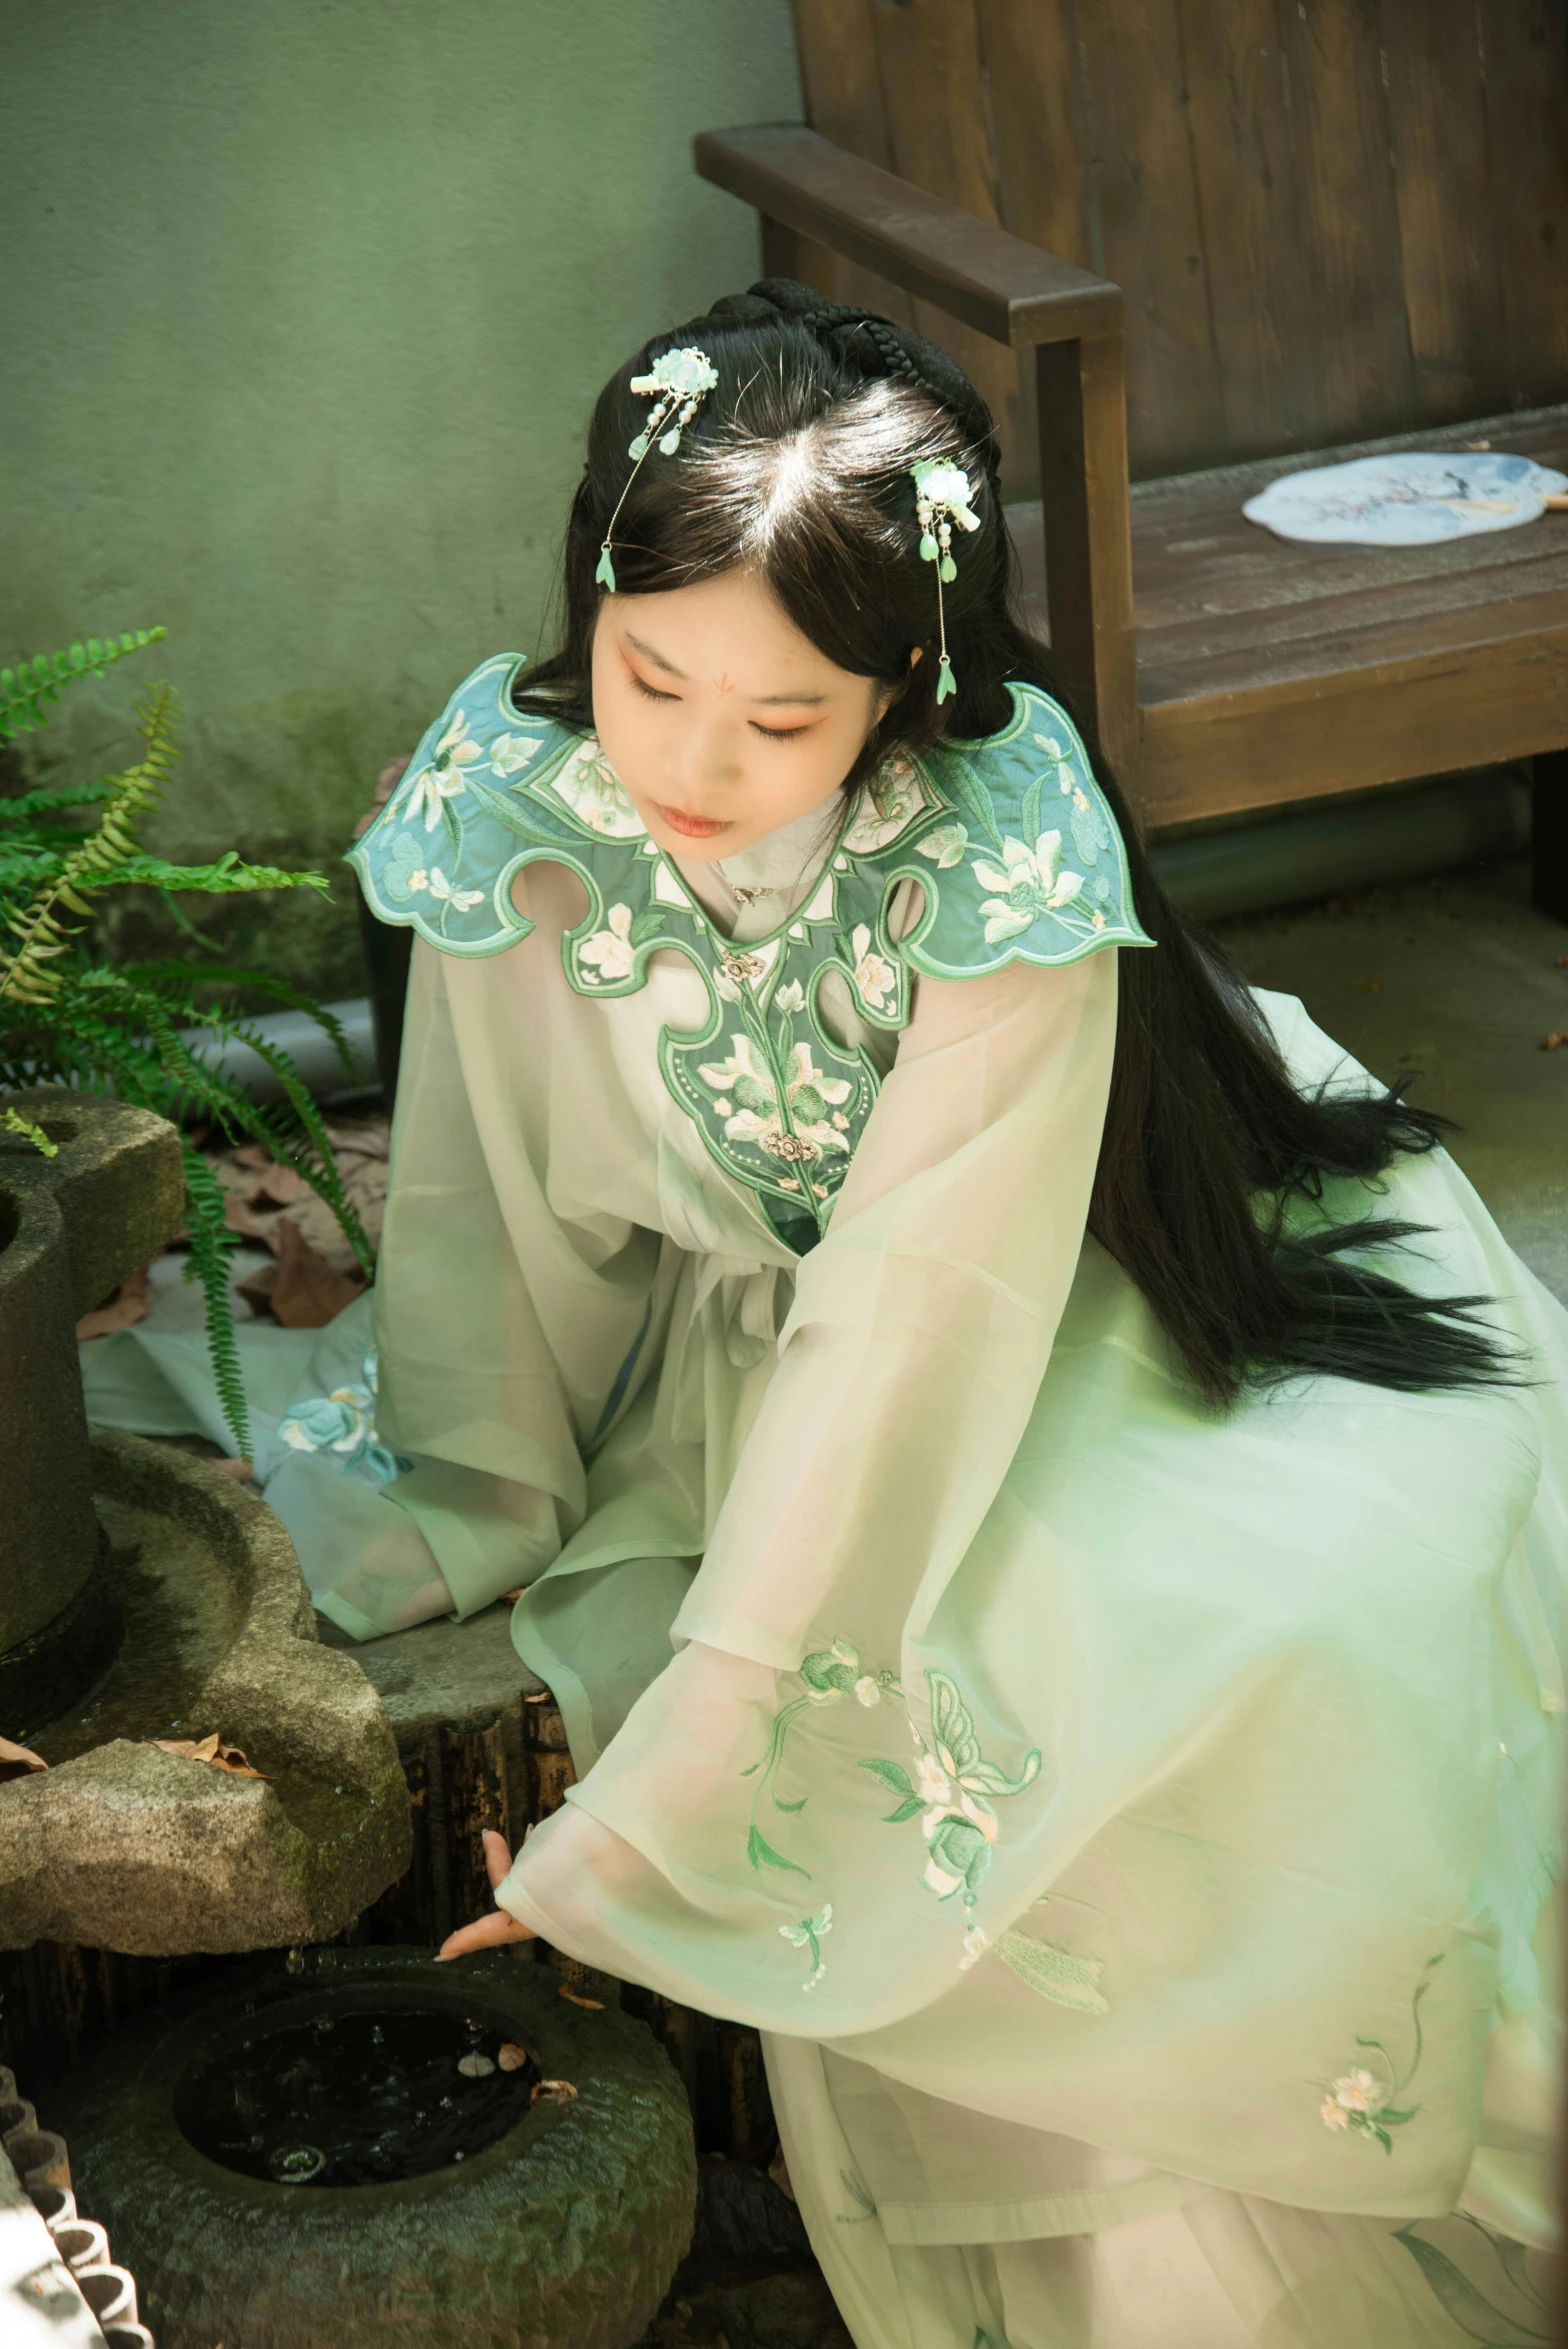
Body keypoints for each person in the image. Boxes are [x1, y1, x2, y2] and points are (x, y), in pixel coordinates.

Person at [336, 283, 1565, 2342]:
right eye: (647, 677)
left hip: (1042, 1277)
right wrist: (478, 1483)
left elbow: (914, 1317)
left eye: (783, 718)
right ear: (591, 606)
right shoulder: (520, 788)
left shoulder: (995, 865)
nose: (690, 763)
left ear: (908, 681)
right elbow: (485, 1204)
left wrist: (691, 1785)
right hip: (775, 1324)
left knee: (1227, 1639)